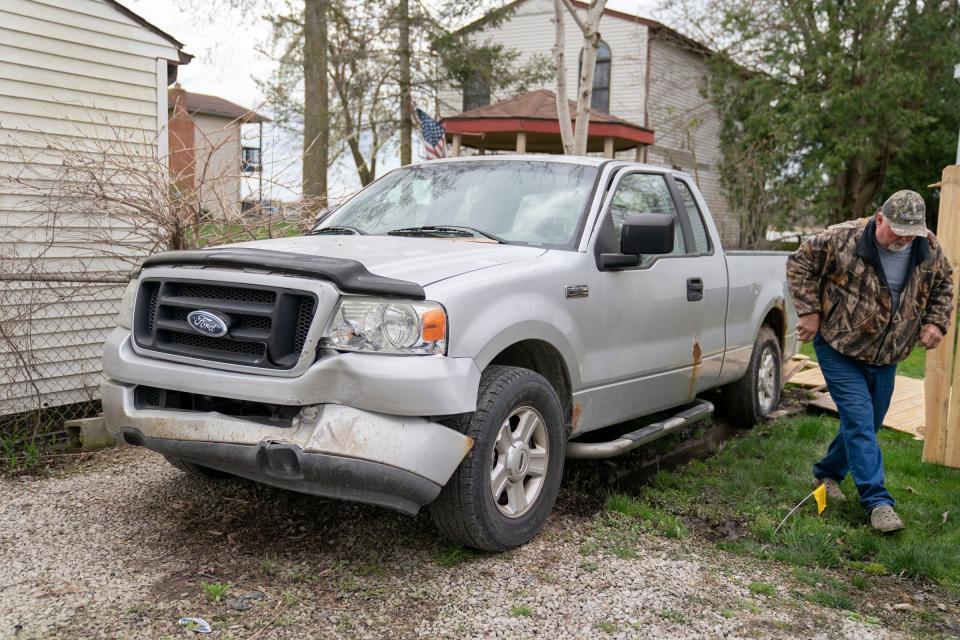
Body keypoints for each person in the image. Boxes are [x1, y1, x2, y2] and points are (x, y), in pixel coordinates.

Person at [786, 190, 954, 533]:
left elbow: (944, 284)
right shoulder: (842, 237)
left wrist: (936, 321)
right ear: (880, 219)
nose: (903, 240)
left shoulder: (928, 248)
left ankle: (828, 473)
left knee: (868, 423)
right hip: (839, 346)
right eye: (896, 231)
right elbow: (799, 262)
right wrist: (810, 311)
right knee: (860, 421)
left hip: (888, 353)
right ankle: (878, 502)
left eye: (912, 233)